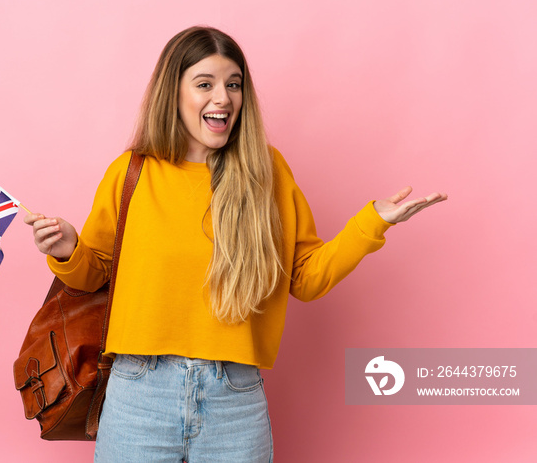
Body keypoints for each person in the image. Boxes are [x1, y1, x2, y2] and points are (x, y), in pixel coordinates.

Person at [24, 26, 447, 463]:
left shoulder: (267, 172)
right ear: (174, 92)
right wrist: (66, 248)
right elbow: (92, 274)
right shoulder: (132, 173)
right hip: (138, 394)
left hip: (234, 397)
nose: (223, 98)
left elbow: (306, 278)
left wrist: (371, 223)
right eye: (205, 84)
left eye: (233, 84)